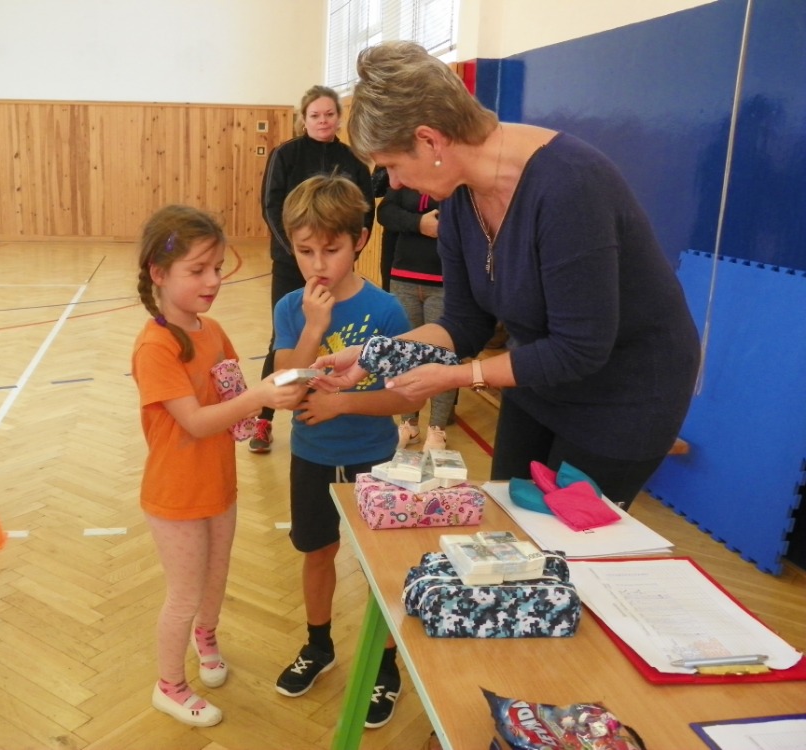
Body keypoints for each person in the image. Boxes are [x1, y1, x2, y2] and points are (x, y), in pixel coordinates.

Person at [315, 41, 700, 511]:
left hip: (625, 395)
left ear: (430, 140)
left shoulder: (569, 186)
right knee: (510, 520)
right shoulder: (460, 198)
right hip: (540, 378)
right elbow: (463, 323)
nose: (393, 183)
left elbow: (580, 348)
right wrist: (376, 354)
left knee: (566, 540)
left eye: (393, 165)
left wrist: (457, 377)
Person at [131, 205, 305, 727]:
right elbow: (195, 422)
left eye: (216, 268)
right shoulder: (155, 345)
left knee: (216, 577)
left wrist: (284, 386)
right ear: (159, 274)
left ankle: (206, 638)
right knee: (183, 595)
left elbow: (231, 398)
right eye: (198, 270)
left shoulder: (213, 330)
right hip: (175, 494)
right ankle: (169, 686)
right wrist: (259, 397)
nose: (213, 281)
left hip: (217, 485)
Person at [272, 174, 421, 729]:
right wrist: (314, 327)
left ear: (359, 240)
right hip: (311, 456)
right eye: (304, 250)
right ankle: (318, 645)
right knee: (317, 552)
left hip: (373, 458)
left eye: (330, 250)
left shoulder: (386, 311)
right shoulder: (292, 307)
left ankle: (385, 665)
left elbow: (404, 399)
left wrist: (342, 405)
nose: (318, 264)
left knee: (381, 563)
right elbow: (286, 390)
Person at [251, 85, 375, 454]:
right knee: (284, 339)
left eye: (329, 114)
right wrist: (300, 254)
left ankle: (334, 411)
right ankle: (264, 419)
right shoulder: (285, 154)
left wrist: (340, 257)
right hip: (290, 266)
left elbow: (365, 209)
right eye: (315, 115)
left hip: (337, 271)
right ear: (303, 119)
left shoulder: (352, 160)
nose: (323, 121)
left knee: (340, 339)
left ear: (339, 118)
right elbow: (271, 206)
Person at [377, 185, 457, 451]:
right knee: (404, 353)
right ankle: (408, 424)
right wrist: (418, 223)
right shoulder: (406, 180)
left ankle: (437, 429)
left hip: (445, 281)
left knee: (444, 355)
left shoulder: (456, 180)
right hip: (404, 277)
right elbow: (385, 212)